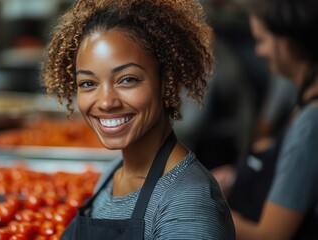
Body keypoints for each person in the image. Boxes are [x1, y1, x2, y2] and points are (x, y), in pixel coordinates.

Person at [42, 0, 235, 239]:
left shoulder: (189, 206)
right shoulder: (114, 173)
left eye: (127, 79)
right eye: (88, 83)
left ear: (167, 81)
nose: (105, 102)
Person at [222, 0, 318, 239]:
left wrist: (208, 207)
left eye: (262, 41)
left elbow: (270, 234)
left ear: (286, 44)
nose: (258, 51)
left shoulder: (311, 121)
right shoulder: (305, 99)